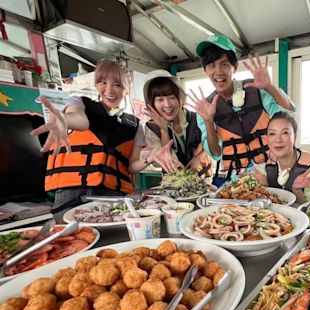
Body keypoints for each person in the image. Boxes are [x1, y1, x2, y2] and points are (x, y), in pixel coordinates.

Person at [32, 60, 174, 222]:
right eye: (102, 82)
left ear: (126, 89)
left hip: (111, 196)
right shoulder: (79, 103)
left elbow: (131, 166)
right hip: (70, 193)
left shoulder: (134, 125)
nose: (109, 90)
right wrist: (64, 119)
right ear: (96, 85)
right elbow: (80, 120)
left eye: (117, 84)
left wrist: (150, 158)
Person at [187, 35, 294, 182]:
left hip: (272, 173)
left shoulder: (256, 89)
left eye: (224, 64)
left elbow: (288, 115)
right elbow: (216, 154)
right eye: (212, 65)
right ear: (206, 70)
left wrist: (269, 87)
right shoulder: (205, 108)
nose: (218, 71)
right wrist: (208, 120)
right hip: (236, 180)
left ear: (235, 67)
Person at [137, 70, 212, 177]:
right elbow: (165, 160)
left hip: (205, 181)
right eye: (160, 99)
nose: (167, 105)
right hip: (172, 186)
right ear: (152, 103)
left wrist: (199, 158)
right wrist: (163, 129)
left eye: (171, 97)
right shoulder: (152, 128)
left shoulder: (197, 118)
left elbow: (211, 143)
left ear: (180, 98)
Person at [251, 111, 310, 204]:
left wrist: (297, 191)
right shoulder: (269, 163)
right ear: (267, 138)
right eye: (272, 134)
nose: (278, 140)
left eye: (285, 133)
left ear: (295, 136)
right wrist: (266, 185)